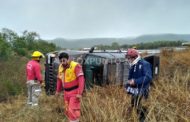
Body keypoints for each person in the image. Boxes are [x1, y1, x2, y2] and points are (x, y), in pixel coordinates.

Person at [56, 52, 85, 122]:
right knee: (67, 110)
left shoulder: (76, 66)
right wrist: (57, 90)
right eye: (61, 61)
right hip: (66, 93)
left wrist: (79, 93)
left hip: (74, 92)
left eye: (64, 60)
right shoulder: (60, 67)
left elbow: (81, 79)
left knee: (73, 110)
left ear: (68, 59)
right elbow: (59, 79)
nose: (62, 62)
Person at [125, 48, 152, 122]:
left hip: (143, 89)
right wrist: (127, 86)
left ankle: (144, 119)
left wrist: (135, 81)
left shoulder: (144, 64)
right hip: (135, 90)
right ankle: (139, 118)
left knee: (140, 106)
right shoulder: (133, 65)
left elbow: (148, 77)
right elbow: (130, 78)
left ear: (134, 57)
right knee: (134, 105)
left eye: (129, 58)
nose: (128, 60)